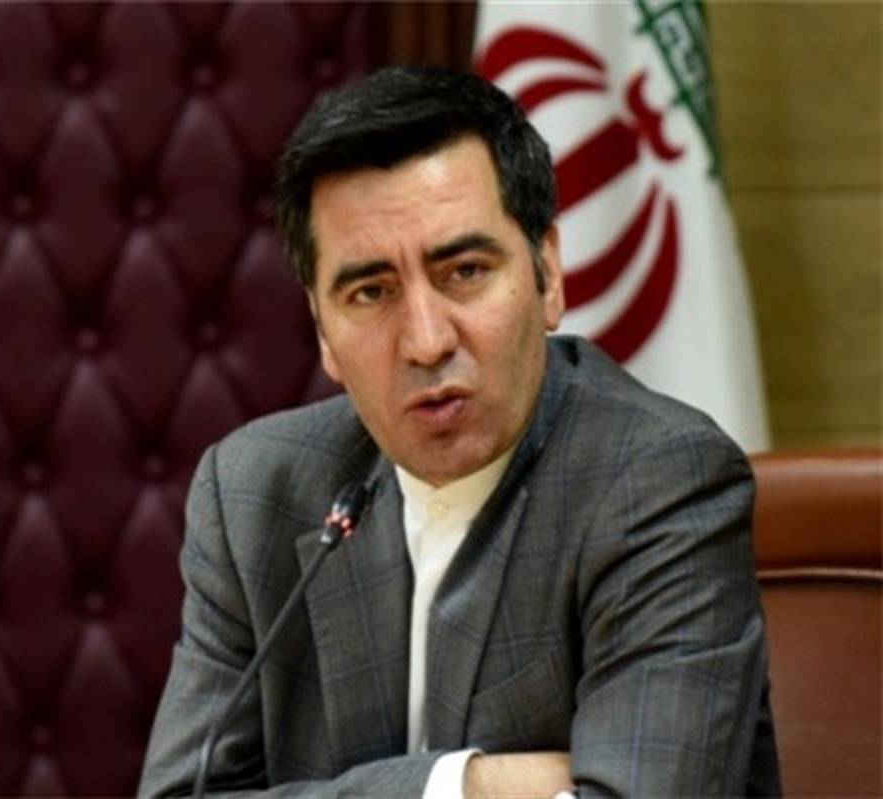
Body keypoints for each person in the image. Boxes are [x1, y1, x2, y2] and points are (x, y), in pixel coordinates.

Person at [139, 65, 780, 798]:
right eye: (371, 292)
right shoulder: (255, 491)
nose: (426, 341)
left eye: (465, 271)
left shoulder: (658, 480)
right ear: (321, 330)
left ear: (547, 274)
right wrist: (461, 785)